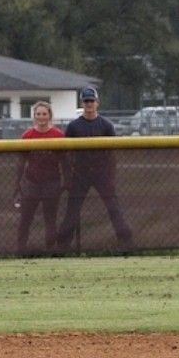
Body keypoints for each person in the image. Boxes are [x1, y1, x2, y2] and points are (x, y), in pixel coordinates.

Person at [55, 87, 133, 252]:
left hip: (101, 173)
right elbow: (66, 154)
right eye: (86, 101)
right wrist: (68, 176)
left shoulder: (106, 125)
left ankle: (126, 242)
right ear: (82, 103)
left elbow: (112, 154)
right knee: (72, 210)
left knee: (113, 207)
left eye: (91, 101)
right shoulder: (74, 127)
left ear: (97, 103)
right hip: (80, 173)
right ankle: (62, 246)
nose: (89, 104)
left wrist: (110, 176)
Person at [14, 101, 67, 254]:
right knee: (25, 219)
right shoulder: (28, 135)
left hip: (52, 182)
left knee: (50, 219)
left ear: (49, 115)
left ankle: (51, 250)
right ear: (34, 116)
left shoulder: (58, 135)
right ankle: (20, 250)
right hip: (32, 182)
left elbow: (64, 161)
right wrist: (17, 184)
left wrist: (66, 180)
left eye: (44, 114)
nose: (41, 117)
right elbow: (21, 162)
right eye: (38, 114)